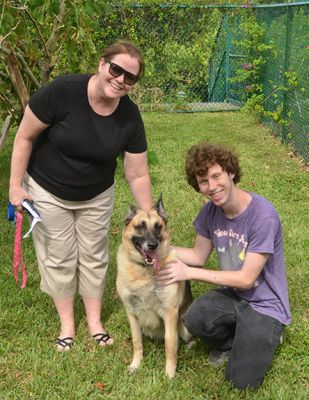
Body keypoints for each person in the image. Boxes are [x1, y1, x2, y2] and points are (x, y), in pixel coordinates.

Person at [9, 40, 153, 352]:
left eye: (131, 78)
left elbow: (138, 172)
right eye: (116, 70)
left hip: (96, 194)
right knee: (59, 256)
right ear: (102, 64)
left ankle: (95, 322)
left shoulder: (129, 116)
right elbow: (24, 137)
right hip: (48, 188)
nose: (121, 80)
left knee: (93, 256)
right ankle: (67, 324)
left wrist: (149, 217)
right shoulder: (62, 91)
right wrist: (15, 187)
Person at [156, 142, 291, 390]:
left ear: (230, 172)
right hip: (233, 296)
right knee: (193, 318)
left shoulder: (263, 217)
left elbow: (246, 279)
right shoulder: (210, 212)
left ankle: (269, 334)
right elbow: (198, 255)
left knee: (241, 383)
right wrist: (158, 250)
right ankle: (234, 340)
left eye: (216, 176)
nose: (212, 186)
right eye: (203, 181)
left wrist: (188, 273)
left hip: (265, 304)